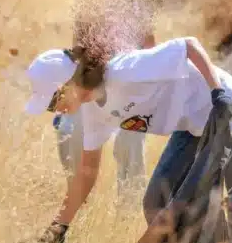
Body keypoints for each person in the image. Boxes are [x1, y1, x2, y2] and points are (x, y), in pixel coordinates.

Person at [24, 36, 232, 243]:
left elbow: (189, 46)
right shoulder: (92, 113)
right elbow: (86, 174)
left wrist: (218, 94)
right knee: (157, 202)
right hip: (192, 127)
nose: (56, 110)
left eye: (53, 102)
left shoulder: (126, 71)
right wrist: (58, 228)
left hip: (231, 114)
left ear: (69, 83)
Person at [52, 32, 156, 206]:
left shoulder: (136, 16)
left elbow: (150, 57)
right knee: (66, 128)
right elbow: (79, 64)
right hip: (93, 89)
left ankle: (129, 207)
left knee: (128, 140)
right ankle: (78, 200)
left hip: (129, 94)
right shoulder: (87, 17)